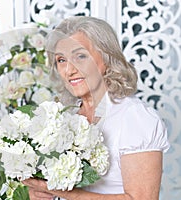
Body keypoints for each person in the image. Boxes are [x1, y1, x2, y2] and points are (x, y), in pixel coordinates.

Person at [22, 16, 170, 200]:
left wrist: (63, 193)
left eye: (81, 56)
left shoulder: (134, 118)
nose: (69, 70)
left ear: (107, 58)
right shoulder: (64, 116)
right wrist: (38, 193)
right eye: (61, 60)